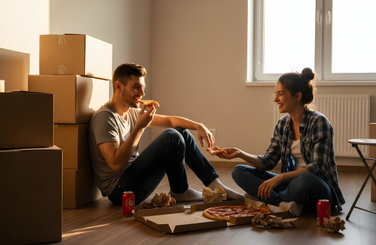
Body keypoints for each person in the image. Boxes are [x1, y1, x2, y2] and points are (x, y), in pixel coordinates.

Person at [88, 63, 243, 205]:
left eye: (143, 87)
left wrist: (199, 125)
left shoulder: (132, 113)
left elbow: (170, 121)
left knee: (181, 131)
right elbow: (115, 164)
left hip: (134, 179)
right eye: (136, 87)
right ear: (118, 86)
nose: (141, 93)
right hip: (120, 191)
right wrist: (139, 128)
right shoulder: (105, 117)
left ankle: (214, 186)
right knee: (171, 137)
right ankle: (180, 191)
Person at [216, 68, 345, 216]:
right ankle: (284, 204)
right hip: (290, 185)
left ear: (297, 95)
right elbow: (268, 161)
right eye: (276, 94)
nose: (275, 99)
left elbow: (317, 167)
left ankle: (268, 200)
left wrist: (281, 177)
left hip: (316, 187)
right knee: (239, 171)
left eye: (280, 94)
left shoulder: (318, 121)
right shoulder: (282, 124)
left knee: (304, 180)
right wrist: (240, 154)